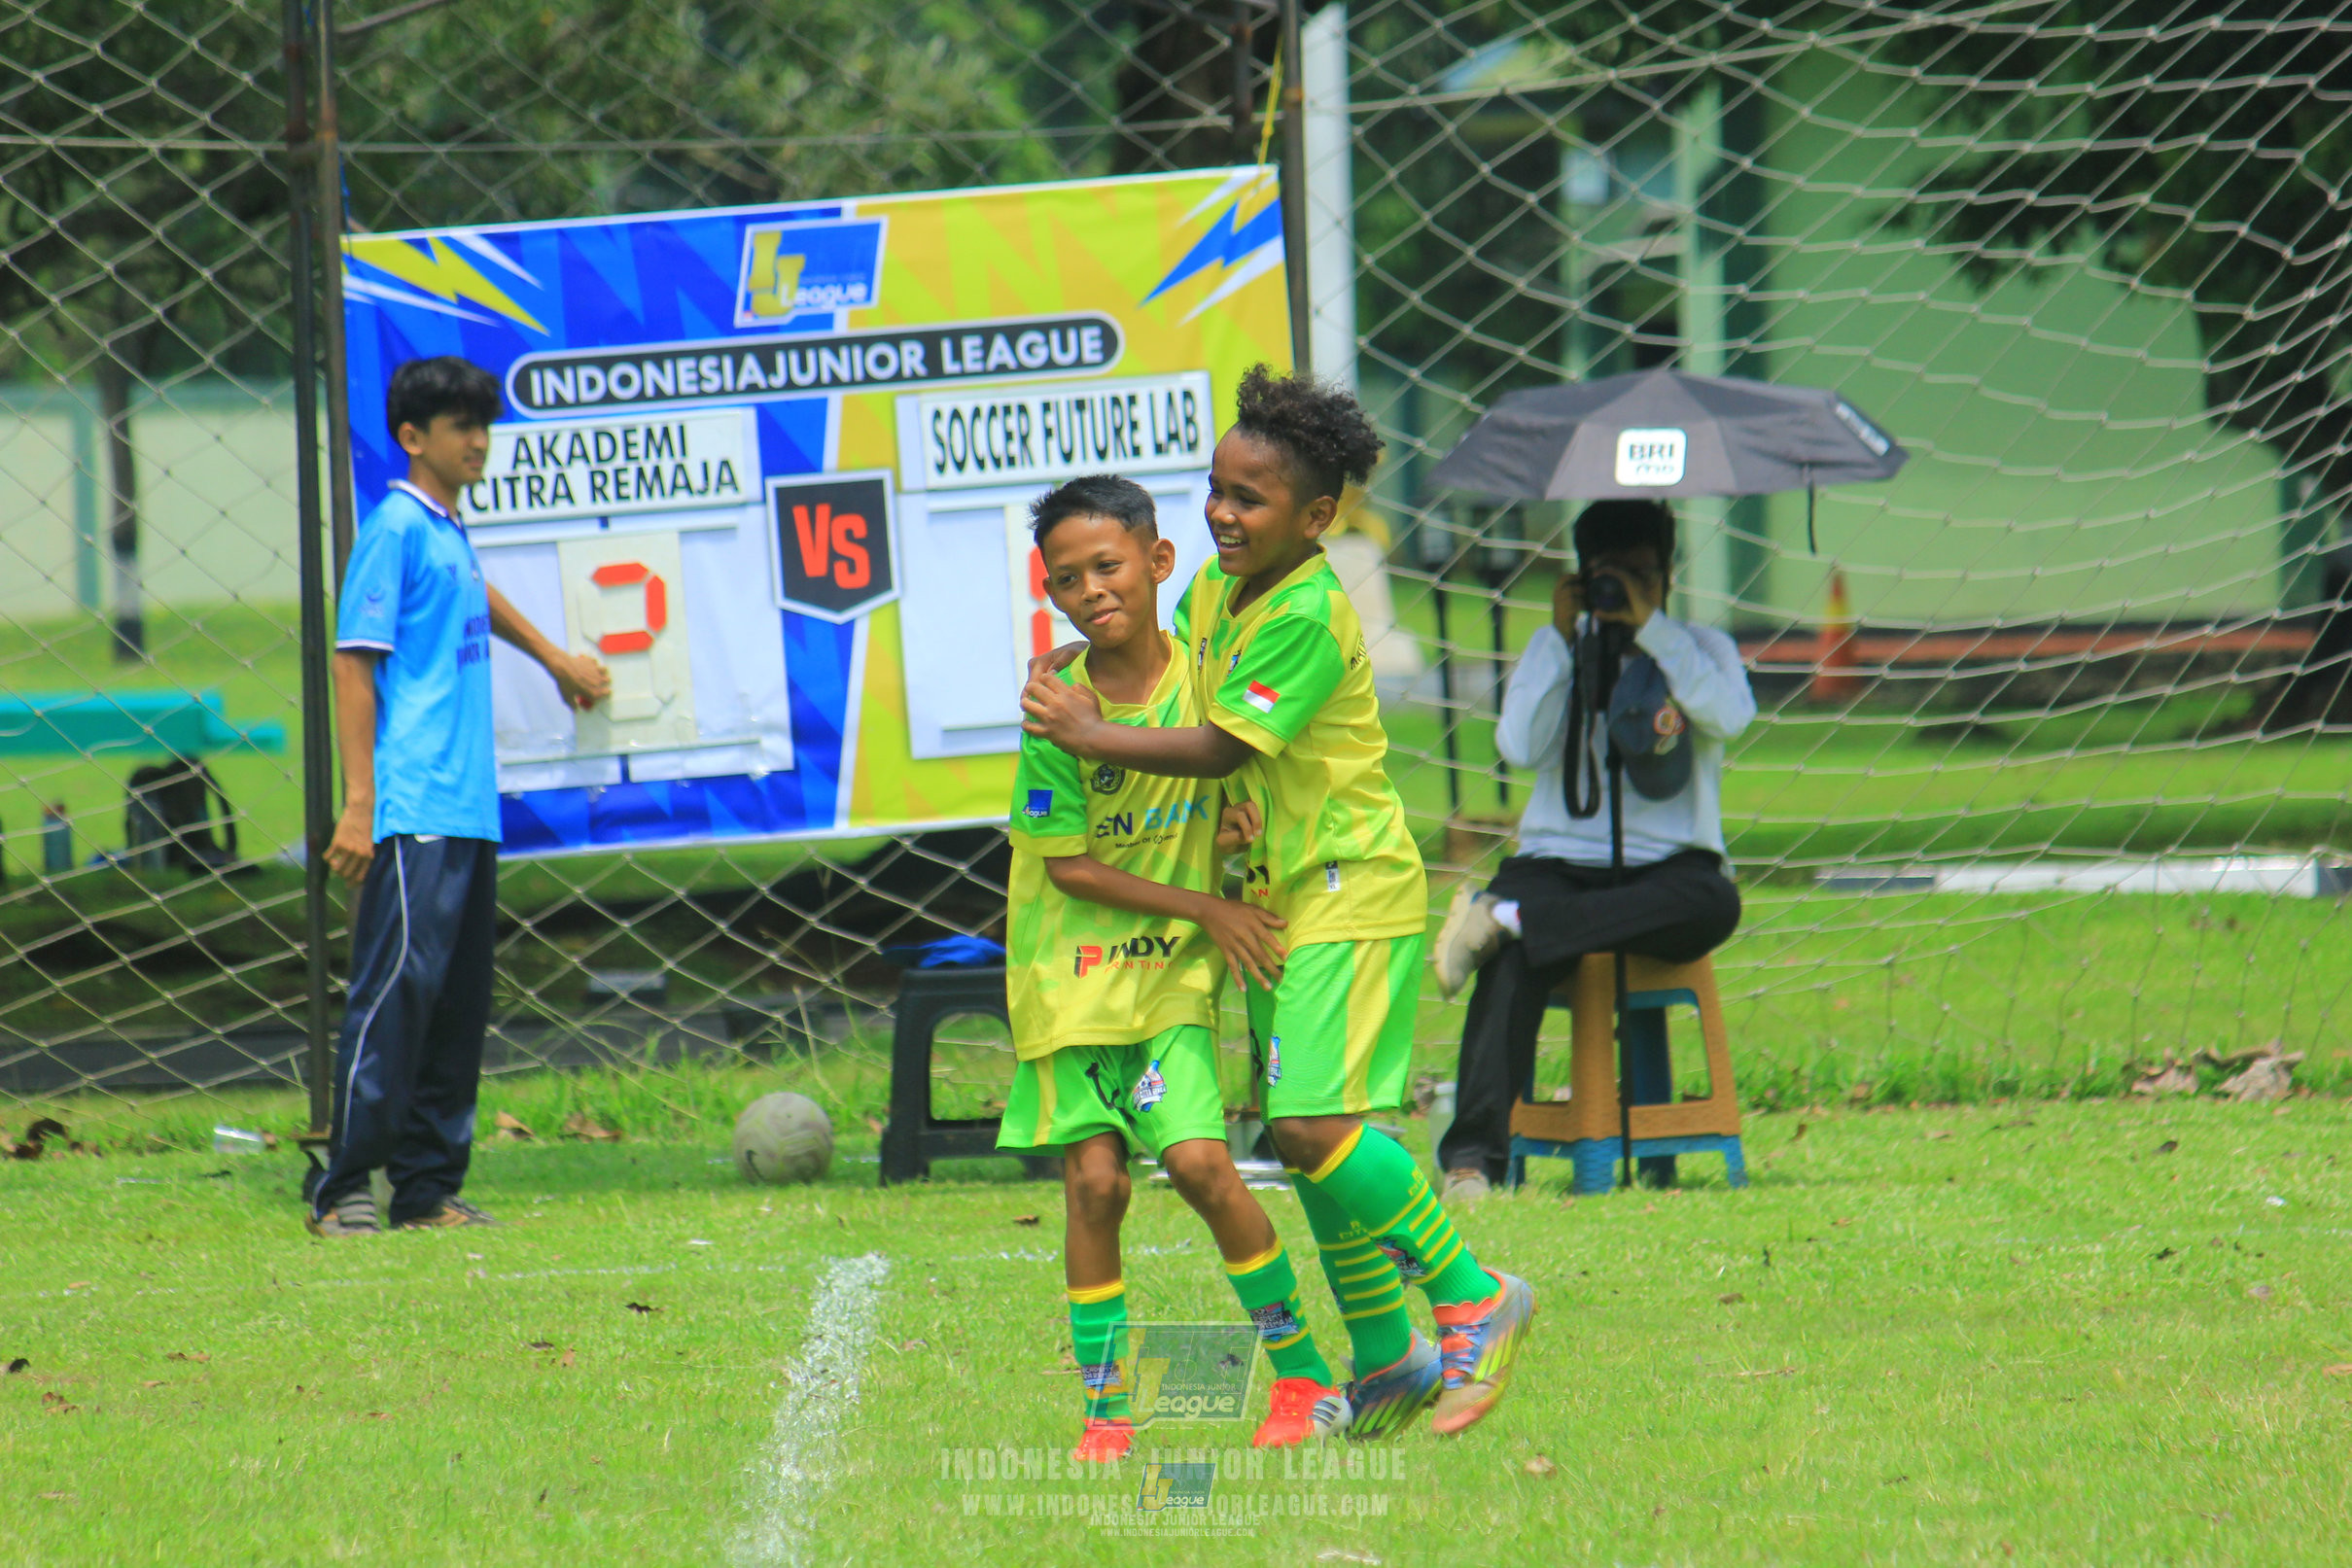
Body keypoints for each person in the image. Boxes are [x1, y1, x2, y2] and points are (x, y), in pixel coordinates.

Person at [1021, 366, 1535, 1440]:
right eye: (1216, 487)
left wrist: (1087, 731)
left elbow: (1213, 743)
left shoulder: (1306, 609)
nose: (1222, 510)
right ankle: (1386, 1352)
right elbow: (1204, 732)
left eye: (1249, 499)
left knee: (1308, 1127)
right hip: (1275, 900)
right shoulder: (1215, 588)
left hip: (1350, 886)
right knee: (1303, 1140)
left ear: (1317, 516)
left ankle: (1474, 1293)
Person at [998, 474, 1350, 1461]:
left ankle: (1303, 1374)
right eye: (1067, 578)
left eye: (1107, 565)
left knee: (1200, 1161)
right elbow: (1065, 860)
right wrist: (1209, 903)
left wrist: (1235, 846)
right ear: (1052, 593)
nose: (1091, 590)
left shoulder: (1207, 681)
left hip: (1167, 976)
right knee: (1095, 1185)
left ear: (1157, 562)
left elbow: (1236, 785)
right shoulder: (1052, 702)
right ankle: (1106, 1407)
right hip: (1067, 971)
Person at [308, 357, 610, 1237]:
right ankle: (343, 1188)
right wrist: (360, 802)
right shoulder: (395, 529)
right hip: (413, 804)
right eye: (459, 425)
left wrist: (555, 660)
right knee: (395, 994)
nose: (479, 440)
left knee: (455, 1004)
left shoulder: (447, 532)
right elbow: (352, 660)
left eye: (484, 423)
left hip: (467, 807)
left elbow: (478, 599)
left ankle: (427, 1187)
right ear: (412, 437)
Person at [1429, 499, 1754, 1200]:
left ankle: (1503, 918)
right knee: (1511, 964)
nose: (1624, 591)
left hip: (1670, 868)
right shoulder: (1559, 649)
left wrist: (1654, 632)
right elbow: (1516, 748)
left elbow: (1730, 717)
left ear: (1668, 575)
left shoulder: (1701, 648)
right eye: (1610, 576)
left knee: (1714, 901)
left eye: (1641, 576)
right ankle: (1470, 1163)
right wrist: (1558, 639)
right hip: (1558, 862)